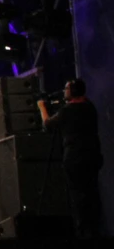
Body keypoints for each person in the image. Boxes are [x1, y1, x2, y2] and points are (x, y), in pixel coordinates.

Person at [39, 78, 104, 238]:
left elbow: (47, 124)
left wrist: (42, 107)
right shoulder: (90, 108)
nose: (64, 91)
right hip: (92, 157)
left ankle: (82, 234)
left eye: (66, 88)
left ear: (73, 91)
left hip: (75, 159)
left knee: (77, 197)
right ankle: (95, 232)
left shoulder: (67, 111)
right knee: (92, 194)